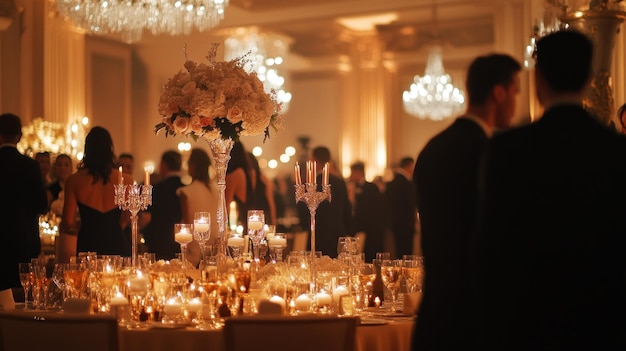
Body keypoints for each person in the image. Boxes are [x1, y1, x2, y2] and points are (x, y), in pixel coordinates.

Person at [471, 30, 626, 350]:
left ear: (539, 79)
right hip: (601, 318)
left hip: (527, 319)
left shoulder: (506, 149)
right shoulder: (615, 150)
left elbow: (491, 245)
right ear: (587, 79)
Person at [411, 53, 521, 350]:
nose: (516, 102)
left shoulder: (431, 149)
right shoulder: (492, 153)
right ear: (499, 93)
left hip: (434, 314)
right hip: (478, 319)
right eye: (515, 92)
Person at [58, 126, 131, 262]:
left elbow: (68, 222)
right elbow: (128, 217)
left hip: (88, 242)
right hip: (116, 242)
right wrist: (112, 228)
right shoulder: (126, 179)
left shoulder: (74, 180)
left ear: (87, 149)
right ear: (110, 149)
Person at [0, 113, 48, 310]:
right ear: (19, 136)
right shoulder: (30, 166)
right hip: (23, 240)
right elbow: (41, 206)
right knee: (21, 300)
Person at [298, 146, 351, 257]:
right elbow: (347, 209)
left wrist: (304, 227)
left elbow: (303, 209)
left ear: (314, 160)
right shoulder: (340, 182)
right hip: (338, 233)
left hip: (318, 234)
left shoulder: (311, 184)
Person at [142, 150, 184, 261]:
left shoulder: (157, 189)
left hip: (158, 242)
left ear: (164, 165)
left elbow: (146, 216)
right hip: (180, 242)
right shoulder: (186, 189)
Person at [177, 148, 218, 262]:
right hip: (214, 249)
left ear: (193, 166)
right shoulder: (217, 191)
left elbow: (187, 225)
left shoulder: (186, 192)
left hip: (194, 251)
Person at [348, 161, 386, 262]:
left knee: (370, 256)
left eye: (353, 173)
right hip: (358, 228)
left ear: (359, 173)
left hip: (371, 229)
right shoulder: (351, 187)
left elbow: (373, 210)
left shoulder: (371, 188)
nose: (351, 176)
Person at [384, 156, 417, 258]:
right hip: (405, 223)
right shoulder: (405, 183)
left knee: (399, 250)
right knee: (406, 252)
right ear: (409, 166)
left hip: (395, 223)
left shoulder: (393, 182)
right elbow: (412, 201)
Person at [226, 141, 252, 228]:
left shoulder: (234, 175)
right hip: (247, 220)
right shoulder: (247, 172)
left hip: (236, 223)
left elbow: (225, 204)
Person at [247, 152, 277, 226]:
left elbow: (271, 203)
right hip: (261, 215)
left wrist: (273, 223)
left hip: (260, 216)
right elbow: (271, 203)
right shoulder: (263, 179)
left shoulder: (263, 179)